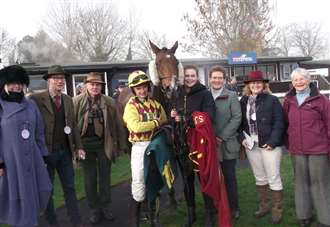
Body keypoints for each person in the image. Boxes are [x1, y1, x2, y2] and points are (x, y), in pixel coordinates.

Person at [30, 65, 86, 227]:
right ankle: (52, 222)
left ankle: (76, 222)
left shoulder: (68, 100)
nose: (60, 81)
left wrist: (79, 146)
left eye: (62, 78)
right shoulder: (35, 100)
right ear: (49, 81)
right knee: (48, 190)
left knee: (70, 188)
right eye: (56, 78)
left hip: (65, 152)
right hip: (45, 154)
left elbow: (73, 125)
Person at [0, 65, 52, 227]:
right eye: (12, 83)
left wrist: (43, 154)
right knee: (14, 194)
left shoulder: (31, 105)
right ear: (4, 85)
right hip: (10, 160)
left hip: (32, 157)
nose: (16, 86)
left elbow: (39, 131)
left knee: (38, 190)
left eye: (19, 83)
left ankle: (31, 222)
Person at [73, 72, 127, 224]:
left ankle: (105, 206)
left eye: (98, 85)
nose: (95, 87)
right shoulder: (76, 101)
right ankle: (94, 209)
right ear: (86, 86)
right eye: (92, 84)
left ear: (101, 87)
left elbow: (118, 124)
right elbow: (71, 125)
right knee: (89, 179)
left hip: (104, 144)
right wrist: (75, 147)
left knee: (105, 177)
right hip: (84, 146)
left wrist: (121, 145)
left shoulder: (109, 101)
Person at [283, 68, 330, 227]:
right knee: (300, 182)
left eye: (302, 79)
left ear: (308, 80)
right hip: (297, 149)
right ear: (292, 83)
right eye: (295, 80)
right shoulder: (289, 100)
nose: (299, 82)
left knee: (320, 183)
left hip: (318, 149)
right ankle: (304, 215)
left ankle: (325, 218)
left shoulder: (321, 100)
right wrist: (290, 143)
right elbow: (286, 123)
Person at [170, 65, 216, 227]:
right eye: (187, 75)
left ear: (197, 77)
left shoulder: (205, 94)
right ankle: (192, 215)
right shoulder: (178, 93)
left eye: (193, 75)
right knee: (187, 181)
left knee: (204, 179)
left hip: (199, 144)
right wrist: (173, 115)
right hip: (182, 144)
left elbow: (209, 116)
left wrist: (185, 120)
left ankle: (210, 214)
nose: (189, 78)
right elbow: (174, 114)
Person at [239, 70, 285, 224]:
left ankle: (277, 208)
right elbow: (240, 124)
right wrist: (241, 139)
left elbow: (280, 122)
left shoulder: (272, 100)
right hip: (252, 145)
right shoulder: (244, 101)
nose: (256, 85)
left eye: (259, 82)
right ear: (248, 85)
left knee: (273, 177)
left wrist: (273, 141)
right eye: (253, 83)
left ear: (263, 84)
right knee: (260, 177)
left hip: (269, 145)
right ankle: (264, 205)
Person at [123, 70, 167, 227]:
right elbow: (135, 127)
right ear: (133, 90)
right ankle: (135, 221)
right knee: (139, 180)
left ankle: (154, 219)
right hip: (140, 147)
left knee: (155, 180)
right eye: (138, 88)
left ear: (148, 87)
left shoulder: (156, 104)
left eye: (144, 87)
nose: (142, 90)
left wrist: (158, 123)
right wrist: (155, 123)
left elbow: (165, 120)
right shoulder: (130, 106)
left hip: (156, 145)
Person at [209, 65, 242, 220]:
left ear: (224, 79)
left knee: (229, 178)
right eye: (214, 77)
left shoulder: (231, 95)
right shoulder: (205, 95)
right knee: (213, 178)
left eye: (220, 77)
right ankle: (216, 207)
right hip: (208, 146)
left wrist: (221, 136)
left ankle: (234, 207)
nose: (217, 80)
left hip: (226, 144)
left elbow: (236, 118)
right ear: (210, 79)